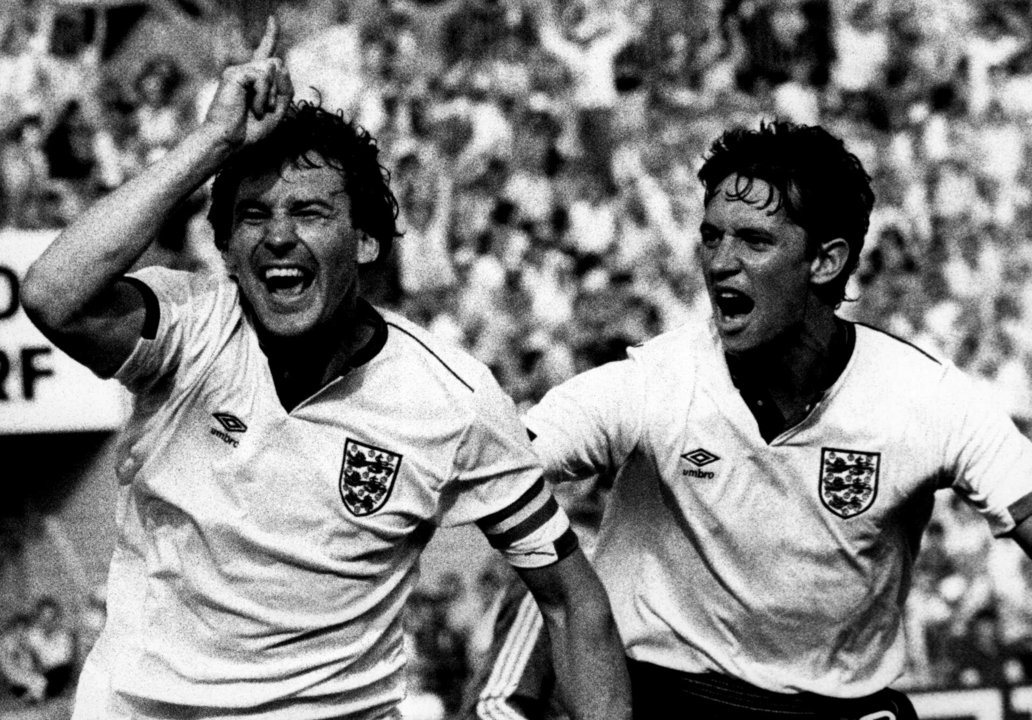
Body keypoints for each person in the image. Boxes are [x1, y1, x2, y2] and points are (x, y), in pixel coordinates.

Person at [20, 17, 629, 720]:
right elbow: (51, 296)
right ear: (223, 245)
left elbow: (572, 600)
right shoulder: (189, 329)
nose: (279, 235)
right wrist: (211, 144)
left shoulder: (450, 400)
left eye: (310, 211)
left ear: (367, 241)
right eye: (253, 215)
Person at [523, 119, 1032, 718]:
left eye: (754, 241)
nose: (719, 262)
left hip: (840, 709)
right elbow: (503, 468)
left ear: (825, 261)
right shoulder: (653, 384)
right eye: (711, 237)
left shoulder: (927, 400)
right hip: (675, 699)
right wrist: (572, 598)